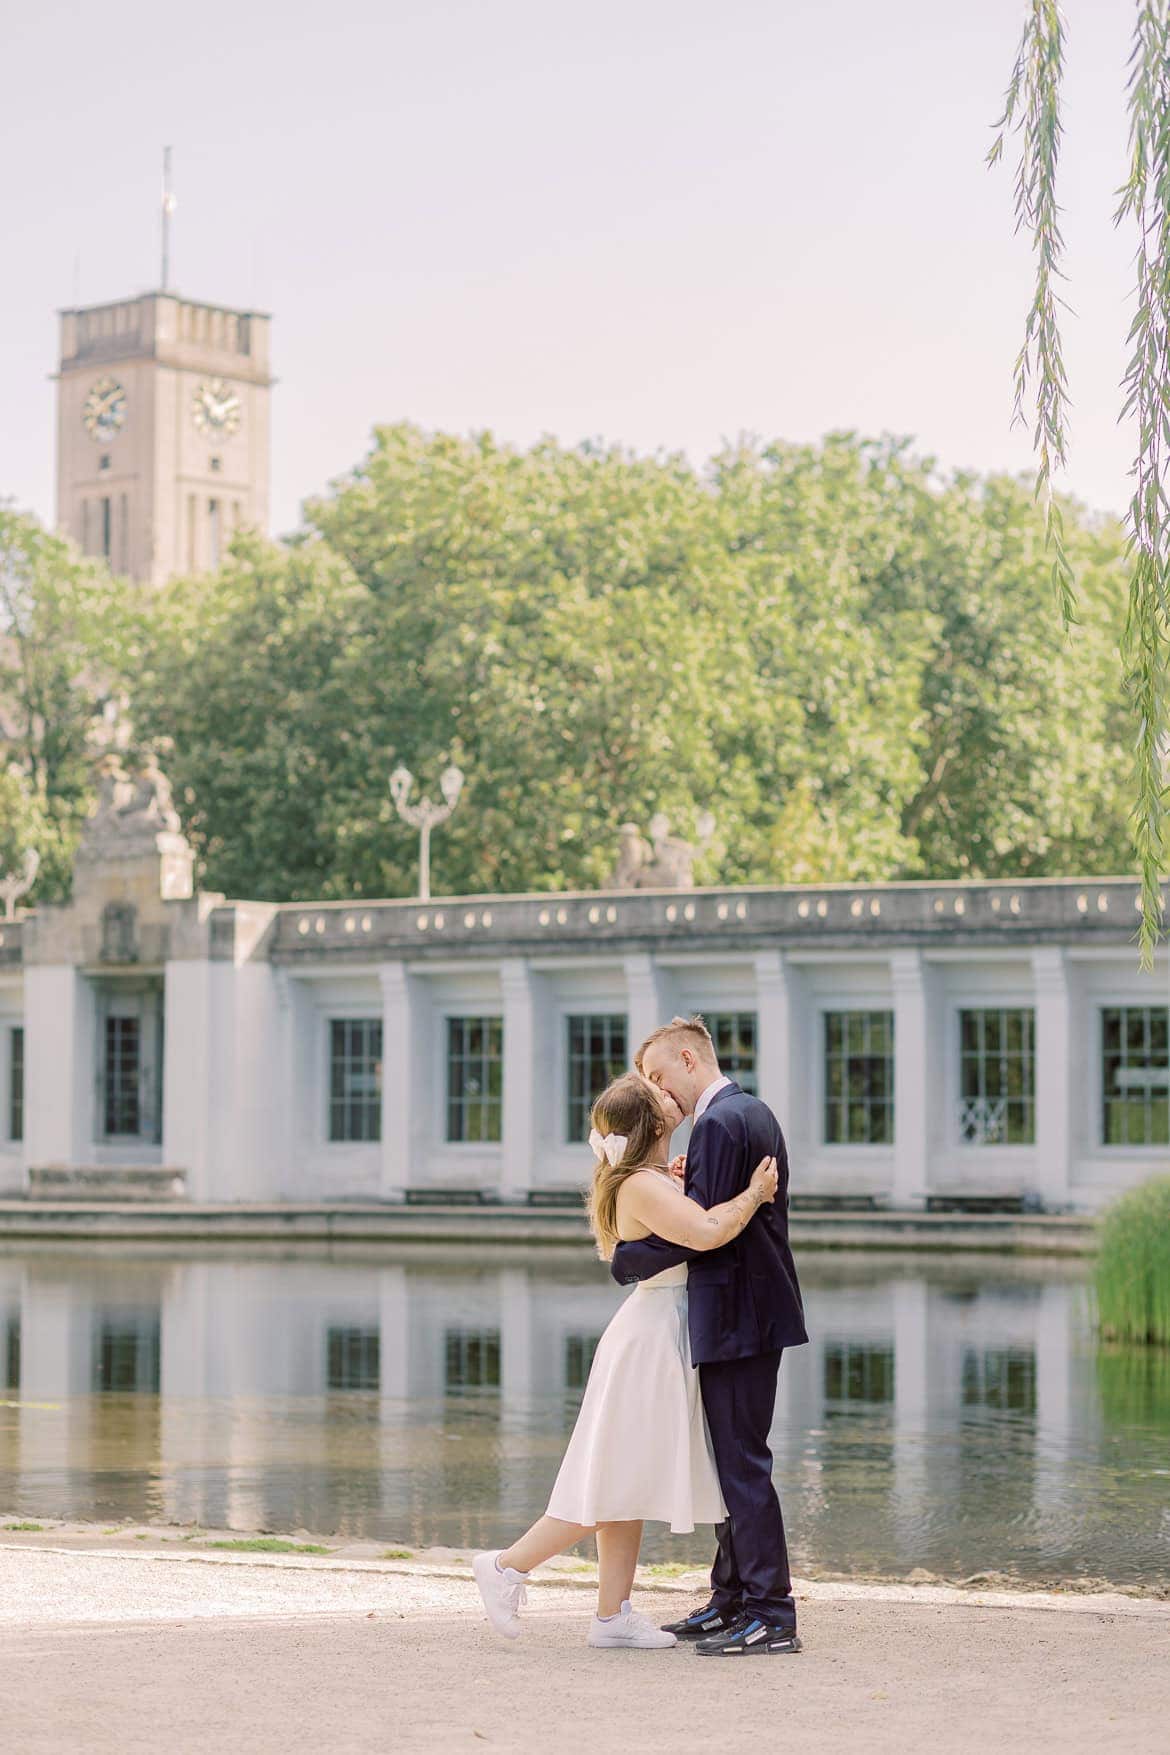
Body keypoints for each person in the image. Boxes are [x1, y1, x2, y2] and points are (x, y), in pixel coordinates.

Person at [473, 1071, 779, 1650]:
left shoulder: (646, 1179)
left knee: (624, 1477)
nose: (670, 1093)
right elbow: (708, 1231)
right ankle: (506, 1567)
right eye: (659, 1093)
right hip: (650, 1339)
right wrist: (755, 1194)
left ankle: (611, 1616)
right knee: (610, 1480)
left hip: (657, 1330)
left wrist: (681, 1181)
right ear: (652, 1122)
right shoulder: (639, 1183)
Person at [612, 1016, 808, 1657]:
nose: (658, 1090)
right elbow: (709, 1212)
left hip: (737, 1317)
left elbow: (701, 1233)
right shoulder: (749, 1112)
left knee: (742, 1467)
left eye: (660, 1074)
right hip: (750, 1312)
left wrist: (626, 1257)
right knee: (731, 1465)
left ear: (690, 1059)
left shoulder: (720, 1123)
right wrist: (686, 1183)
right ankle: (732, 1600)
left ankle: (771, 1613)